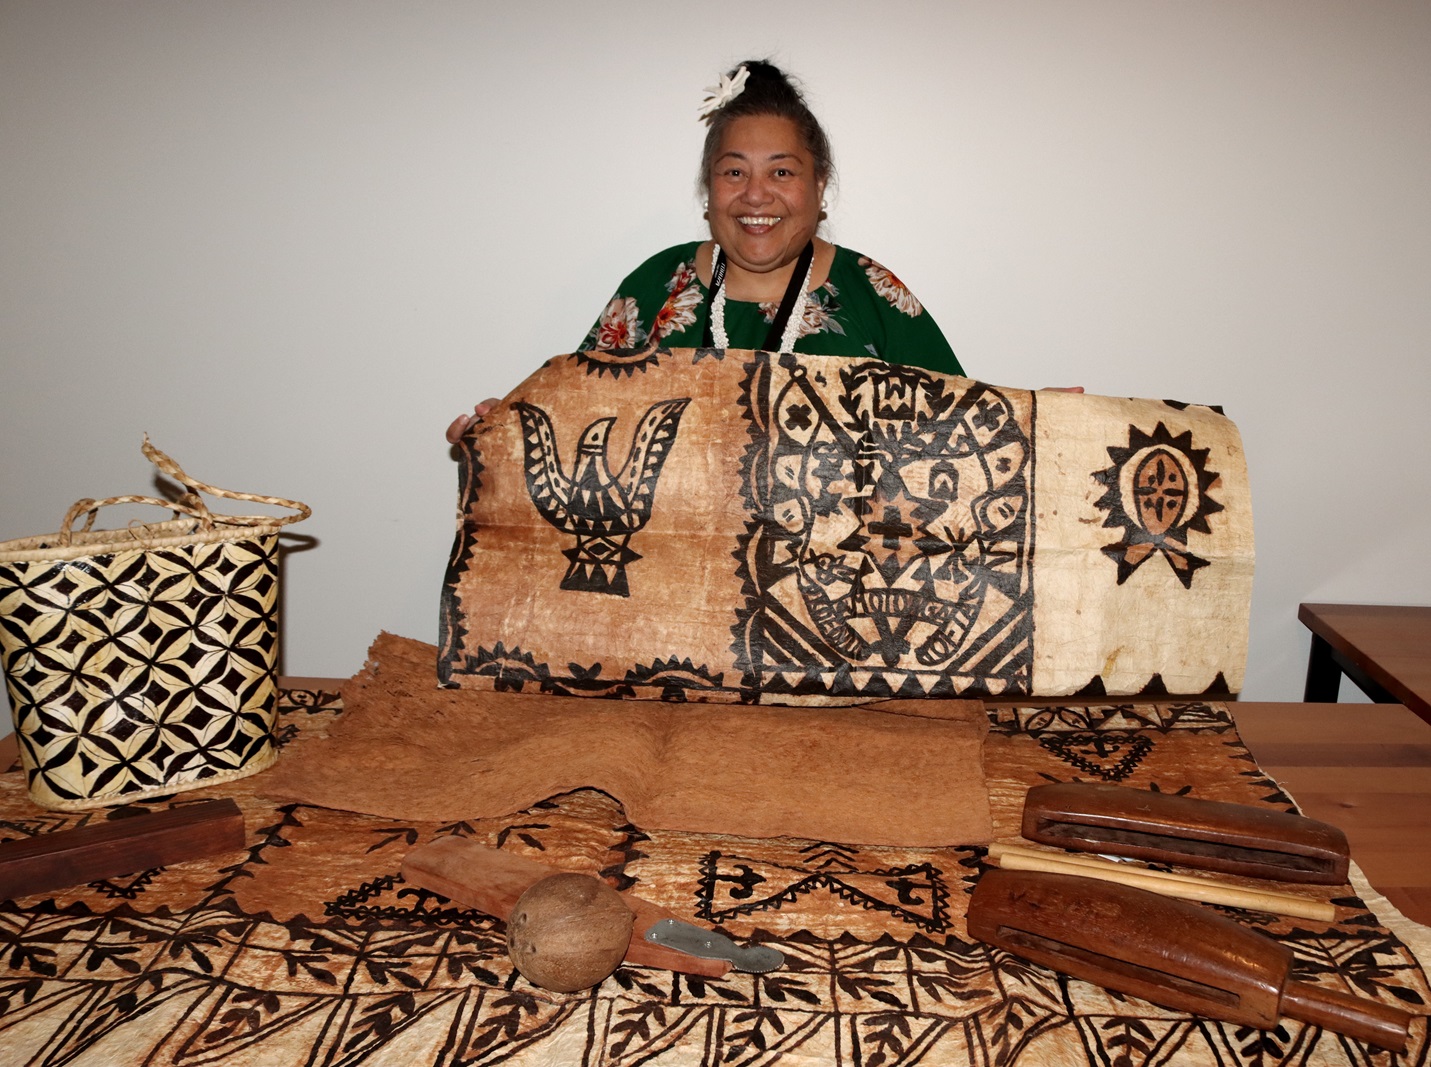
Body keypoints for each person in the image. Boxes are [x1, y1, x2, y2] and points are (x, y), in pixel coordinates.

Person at [448, 60, 982, 445]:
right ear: (710, 187)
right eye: (734, 172)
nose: (756, 195)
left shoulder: (872, 293)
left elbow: (966, 435)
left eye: (781, 171)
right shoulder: (657, 286)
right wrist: (509, 432)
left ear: (819, 186)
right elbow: (579, 422)